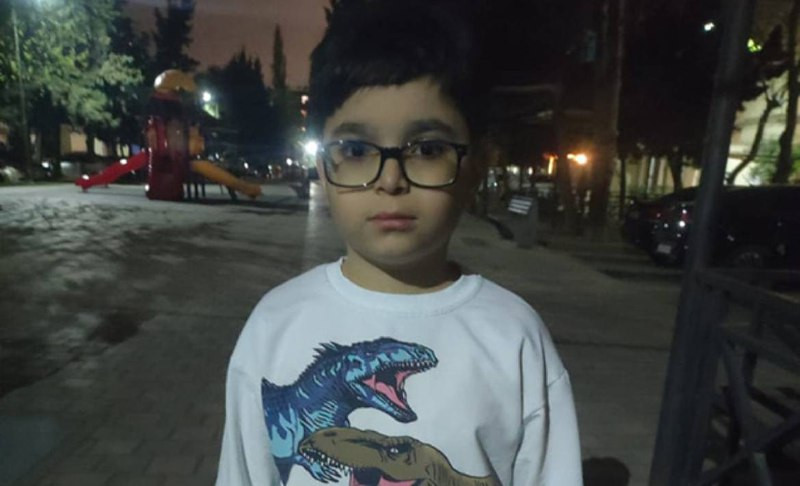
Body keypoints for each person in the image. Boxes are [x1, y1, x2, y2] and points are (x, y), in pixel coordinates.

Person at [215, 1, 582, 485]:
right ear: (323, 167)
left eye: (427, 149)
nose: (391, 180)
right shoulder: (274, 324)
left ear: (474, 167)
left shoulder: (515, 337)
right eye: (356, 150)